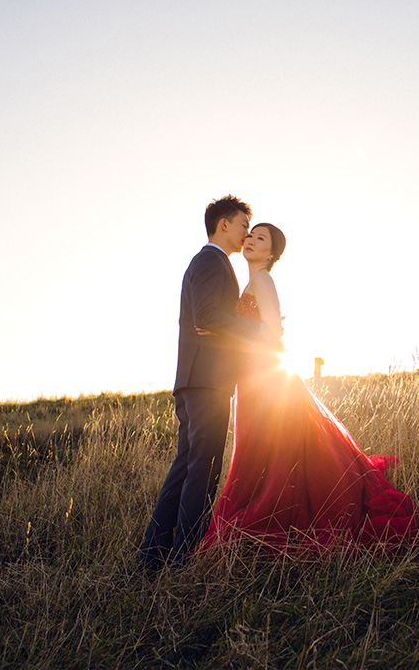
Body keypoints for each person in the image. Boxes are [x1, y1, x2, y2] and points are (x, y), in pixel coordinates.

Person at [200, 223, 417, 552]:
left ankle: (275, 515)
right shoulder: (250, 281)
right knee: (269, 450)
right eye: (251, 235)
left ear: (271, 254)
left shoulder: (262, 279)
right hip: (252, 376)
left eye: (261, 239)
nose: (251, 240)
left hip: (263, 377)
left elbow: (271, 331)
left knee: (271, 450)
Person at [140, 196, 281, 573]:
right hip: (206, 381)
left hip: (198, 379)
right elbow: (206, 316)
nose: (245, 233)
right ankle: (186, 557)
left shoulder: (215, 264)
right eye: (241, 226)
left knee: (187, 466)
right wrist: (259, 329)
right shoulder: (209, 261)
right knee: (203, 468)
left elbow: (211, 320)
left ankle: (152, 557)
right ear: (223, 225)